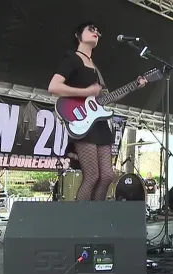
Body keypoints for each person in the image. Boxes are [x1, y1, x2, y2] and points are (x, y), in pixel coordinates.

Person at [48, 22, 147, 201]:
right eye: (91, 29)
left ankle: (96, 215)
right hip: (81, 122)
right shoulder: (71, 58)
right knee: (92, 175)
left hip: (99, 124)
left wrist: (134, 86)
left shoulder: (95, 68)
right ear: (79, 36)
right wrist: (86, 92)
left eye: (98, 31)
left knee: (107, 176)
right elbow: (54, 87)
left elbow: (107, 97)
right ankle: (80, 219)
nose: (96, 33)